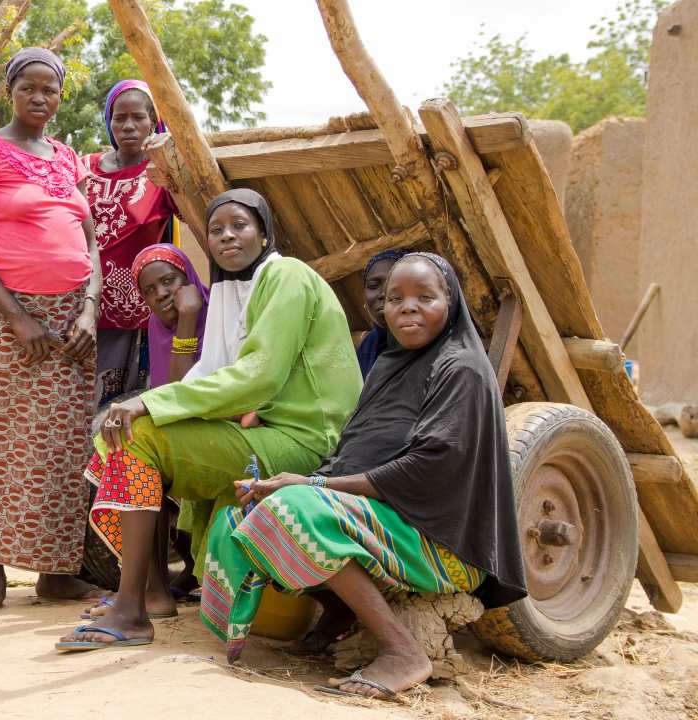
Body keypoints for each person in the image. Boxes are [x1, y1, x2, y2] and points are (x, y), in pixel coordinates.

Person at [200, 252, 526, 700]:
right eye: (395, 298)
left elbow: (426, 470)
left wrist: (312, 487)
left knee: (295, 512)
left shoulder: (462, 368)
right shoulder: (389, 366)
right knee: (243, 518)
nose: (407, 307)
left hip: (441, 541)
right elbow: (351, 452)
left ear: (450, 303)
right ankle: (338, 615)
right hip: (385, 521)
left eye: (423, 297)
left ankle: (403, 651)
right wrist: (287, 482)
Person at [57, 188, 362, 650]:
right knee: (124, 434)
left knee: (138, 434)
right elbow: (211, 376)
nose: (226, 237)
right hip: (261, 428)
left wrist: (150, 403)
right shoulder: (230, 293)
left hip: (306, 439)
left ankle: (133, 605)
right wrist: (152, 404)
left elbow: (258, 376)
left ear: (264, 232)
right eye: (216, 230)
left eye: (239, 225)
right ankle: (140, 595)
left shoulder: (287, 276)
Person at [0, 47, 107, 615]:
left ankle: (55, 573)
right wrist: (17, 317)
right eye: (30, 88)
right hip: (7, 316)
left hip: (71, 321)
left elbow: (90, 242)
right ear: (9, 91)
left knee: (62, 451)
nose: (41, 98)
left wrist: (89, 309)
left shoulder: (68, 158)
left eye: (51, 89)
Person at [86, 80, 178, 405]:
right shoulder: (84, 167)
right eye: (119, 117)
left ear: (152, 122)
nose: (128, 125)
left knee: (127, 413)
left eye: (138, 117)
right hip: (85, 314)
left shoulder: (161, 174)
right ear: (109, 122)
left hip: (138, 319)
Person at [132, 243, 208, 388]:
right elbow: (173, 396)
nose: (161, 294)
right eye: (149, 290)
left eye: (168, 280)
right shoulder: (157, 323)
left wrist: (188, 317)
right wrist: (187, 318)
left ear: (188, 277)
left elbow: (183, 393)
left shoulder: (217, 314)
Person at [355, 249, 408, 378]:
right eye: (373, 285)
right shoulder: (368, 346)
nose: (384, 293)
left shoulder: (433, 345)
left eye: (393, 283)